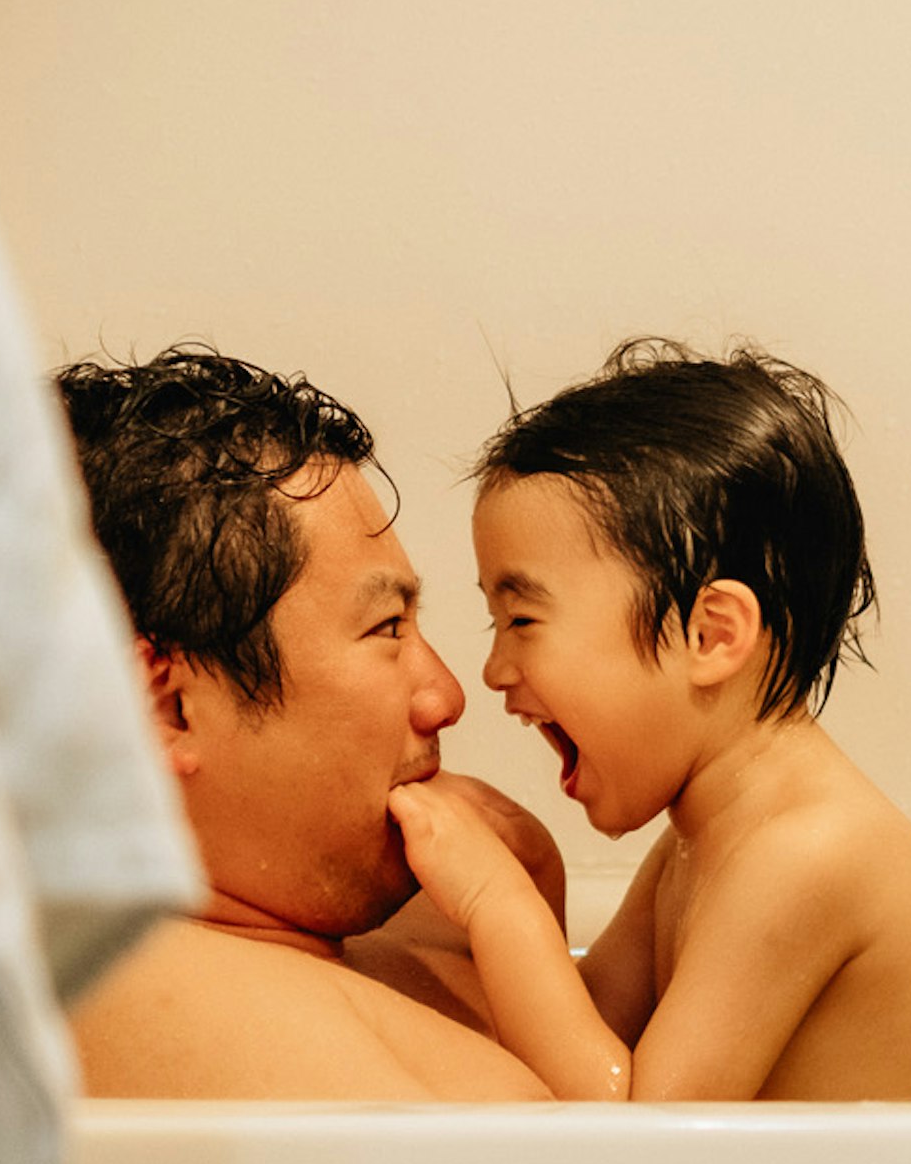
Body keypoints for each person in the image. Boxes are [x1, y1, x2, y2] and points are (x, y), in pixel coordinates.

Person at [382, 340, 911, 1102]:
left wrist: (497, 903)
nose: (493, 672)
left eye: (521, 618)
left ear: (711, 635)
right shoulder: (701, 841)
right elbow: (589, 1040)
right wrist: (515, 879)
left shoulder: (807, 852)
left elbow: (642, 1133)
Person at [55, 347, 565, 1104]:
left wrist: (533, 904)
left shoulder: (414, 936)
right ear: (169, 707)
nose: (447, 697)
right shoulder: (157, 1009)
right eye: (387, 628)